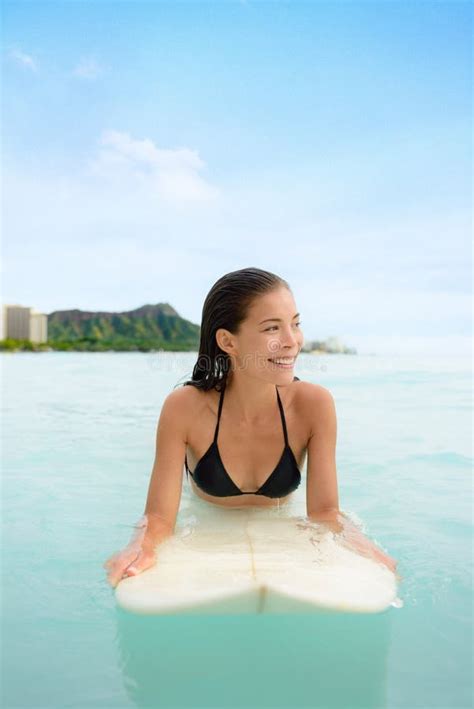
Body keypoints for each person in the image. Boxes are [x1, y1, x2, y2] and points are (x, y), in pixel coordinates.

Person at [104, 267, 399, 588]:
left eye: (296, 324)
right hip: (206, 518)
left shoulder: (314, 405)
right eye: (273, 328)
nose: (292, 341)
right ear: (227, 341)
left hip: (281, 521)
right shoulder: (184, 407)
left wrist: (362, 545)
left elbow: (325, 513)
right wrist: (140, 546)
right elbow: (160, 518)